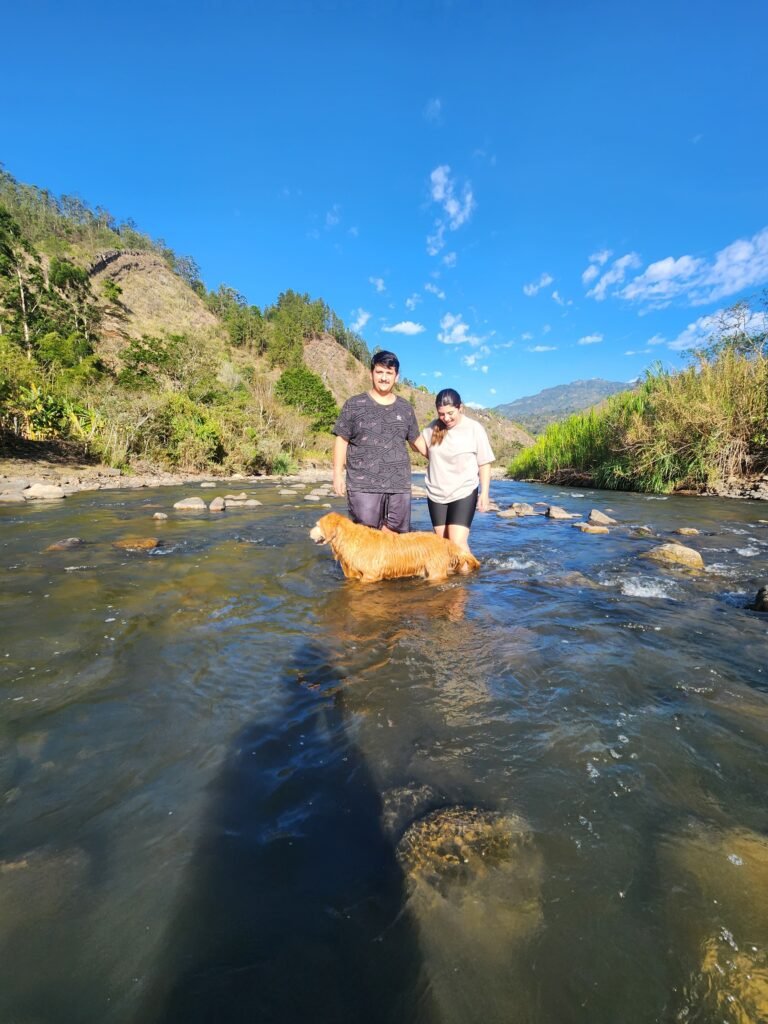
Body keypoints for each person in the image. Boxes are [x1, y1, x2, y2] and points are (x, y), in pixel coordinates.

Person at [332, 351, 420, 533]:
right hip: (363, 486)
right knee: (365, 543)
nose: (384, 378)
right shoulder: (354, 404)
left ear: (396, 377)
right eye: (380, 372)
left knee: (397, 543)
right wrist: (337, 475)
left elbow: (416, 441)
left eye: (389, 373)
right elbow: (341, 440)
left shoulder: (405, 408)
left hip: (399, 486)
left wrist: (446, 454)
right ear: (371, 373)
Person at [411, 388, 495, 553]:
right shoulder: (433, 427)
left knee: (456, 543)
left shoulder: (474, 428)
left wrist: (484, 493)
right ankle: (449, 579)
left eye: (450, 413)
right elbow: (418, 446)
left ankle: (466, 576)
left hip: (463, 491)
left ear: (460, 408)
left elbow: (484, 463)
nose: (446, 418)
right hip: (436, 493)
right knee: (443, 545)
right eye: (441, 414)